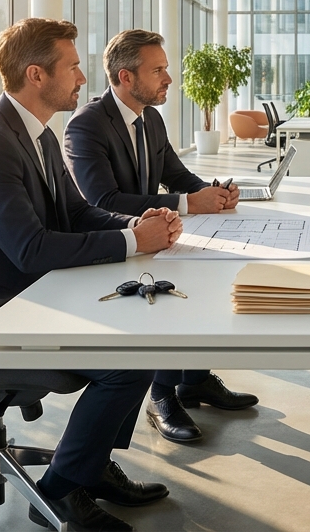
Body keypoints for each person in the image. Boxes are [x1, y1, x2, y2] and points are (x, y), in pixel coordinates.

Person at [0, 18, 183, 532]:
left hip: (25, 301)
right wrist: (133, 243)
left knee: (145, 336)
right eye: (73, 66)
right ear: (36, 75)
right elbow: (31, 248)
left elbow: (77, 213)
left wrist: (138, 223)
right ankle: (63, 491)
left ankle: (88, 467)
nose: (84, 77)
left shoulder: (35, 134)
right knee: (129, 361)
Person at [64, 29, 259, 445]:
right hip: (119, 246)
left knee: (210, 276)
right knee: (180, 290)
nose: (169, 78)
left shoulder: (150, 118)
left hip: (156, 239)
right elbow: (103, 199)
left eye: (166, 68)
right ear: (125, 77)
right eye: (158, 70)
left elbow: (178, 175)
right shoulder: (87, 124)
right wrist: (189, 204)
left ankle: (195, 380)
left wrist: (214, 193)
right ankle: (162, 394)